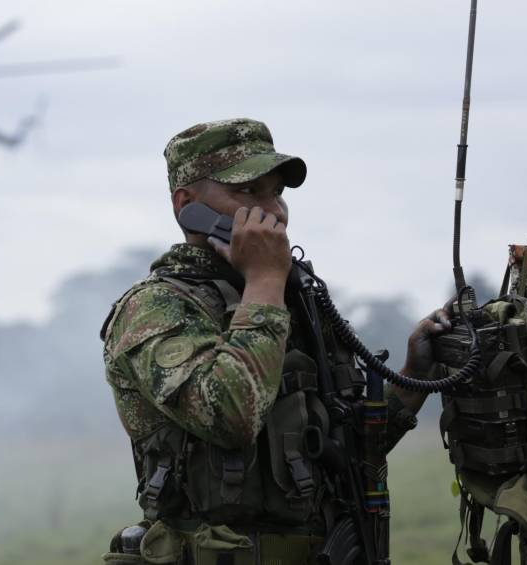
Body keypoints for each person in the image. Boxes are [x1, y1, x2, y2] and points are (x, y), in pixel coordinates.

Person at [100, 118, 450, 565]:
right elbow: (231, 416)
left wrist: (413, 377)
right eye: (248, 193)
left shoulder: (293, 299)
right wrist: (265, 279)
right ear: (186, 205)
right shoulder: (156, 308)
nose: (275, 211)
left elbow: (341, 454)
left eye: (277, 192)